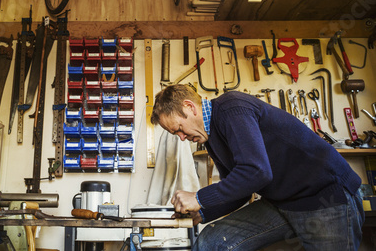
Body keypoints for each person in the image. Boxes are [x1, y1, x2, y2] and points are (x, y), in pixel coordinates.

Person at [151, 84, 364, 250]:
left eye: (179, 128)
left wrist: (198, 198)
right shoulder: (210, 138)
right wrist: (203, 212)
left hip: (324, 197)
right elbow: (239, 190)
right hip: (282, 202)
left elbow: (257, 172)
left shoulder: (231, 108)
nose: (181, 138)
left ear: (190, 107)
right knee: (213, 242)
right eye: (174, 134)